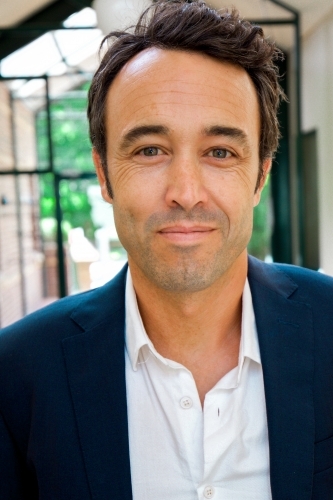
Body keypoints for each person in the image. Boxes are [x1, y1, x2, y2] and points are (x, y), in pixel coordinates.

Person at [1, 1, 332, 498]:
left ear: (260, 176)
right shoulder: (18, 373)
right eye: (149, 150)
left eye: (220, 152)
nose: (186, 191)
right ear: (104, 173)